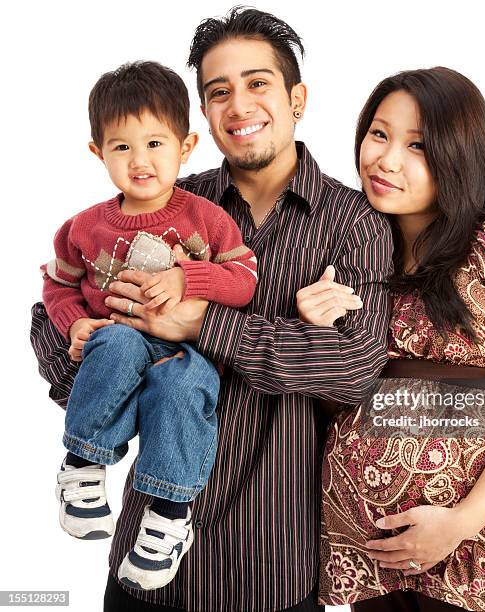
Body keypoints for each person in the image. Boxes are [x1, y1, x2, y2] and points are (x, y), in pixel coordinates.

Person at [30, 7, 393, 611]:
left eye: (258, 83)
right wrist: (101, 352)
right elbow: (49, 316)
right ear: (202, 116)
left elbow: (354, 368)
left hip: (273, 562)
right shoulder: (167, 198)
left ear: (297, 98)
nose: (240, 106)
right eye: (219, 91)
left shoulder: (353, 222)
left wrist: (203, 324)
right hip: (144, 567)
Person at [312, 68, 485, 610]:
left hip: (482, 554)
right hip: (370, 555)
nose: (386, 160)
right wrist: (313, 326)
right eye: (379, 134)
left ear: (460, 155)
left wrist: (458, 524)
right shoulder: (352, 251)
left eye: (418, 146)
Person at [42, 60, 258, 591]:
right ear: (98, 152)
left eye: (156, 144)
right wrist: (73, 325)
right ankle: (83, 465)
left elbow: (244, 278)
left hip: (187, 353)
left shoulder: (204, 217)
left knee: (182, 387)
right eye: (122, 147)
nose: (140, 161)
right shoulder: (82, 228)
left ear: (186, 147)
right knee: (113, 340)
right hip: (118, 344)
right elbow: (57, 287)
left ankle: (169, 516)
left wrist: (189, 279)